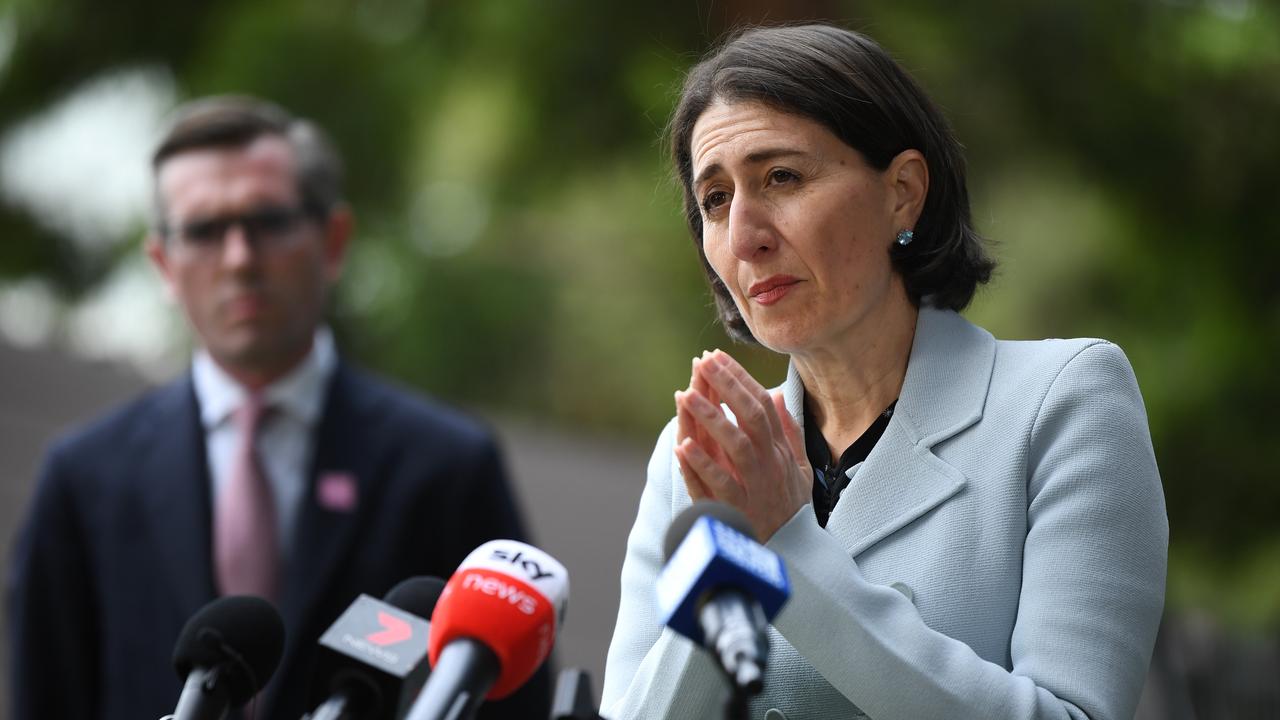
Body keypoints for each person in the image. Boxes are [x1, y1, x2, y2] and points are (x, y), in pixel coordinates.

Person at [602, 24, 1167, 720]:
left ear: (902, 192)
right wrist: (728, 558)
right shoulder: (697, 459)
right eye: (715, 200)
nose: (745, 236)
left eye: (781, 177)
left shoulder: (1064, 401)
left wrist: (789, 548)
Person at [7, 96, 550, 720]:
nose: (239, 258)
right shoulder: (83, 479)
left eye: (267, 222)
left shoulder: (447, 467)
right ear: (162, 263)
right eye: (204, 231)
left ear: (334, 240)